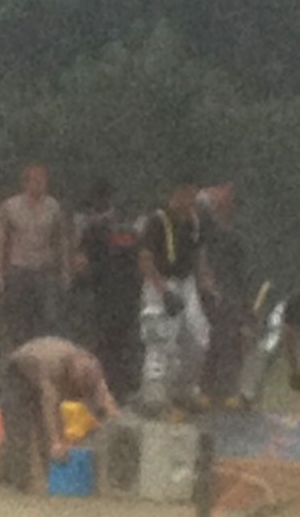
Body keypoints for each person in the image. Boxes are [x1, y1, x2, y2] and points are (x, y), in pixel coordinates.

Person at [0, 336, 119, 492]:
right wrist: (56, 443)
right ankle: (17, 481)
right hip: (18, 373)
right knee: (21, 431)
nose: (80, 394)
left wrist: (114, 423)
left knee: (47, 433)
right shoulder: (53, 367)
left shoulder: (92, 369)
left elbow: (104, 399)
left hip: (42, 375)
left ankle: (53, 480)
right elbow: (49, 409)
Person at [134, 183, 205, 417]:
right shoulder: (157, 221)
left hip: (186, 283)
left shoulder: (192, 221)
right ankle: (153, 394)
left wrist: (206, 284)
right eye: (189, 196)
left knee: (198, 337)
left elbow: (197, 255)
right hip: (161, 281)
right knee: (159, 338)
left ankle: (184, 389)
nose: (192, 201)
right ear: (178, 194)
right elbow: (145, 259)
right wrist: (163, 291)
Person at [71, 178, 144, 404]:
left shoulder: (96, 227)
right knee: (119, 342)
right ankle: (116, 388)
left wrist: (81, 282)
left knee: (108, 342)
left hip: (109, 293)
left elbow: (81, 261)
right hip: (118, 293)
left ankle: (110, 389)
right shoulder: (129, 230)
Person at [0, 163, 72, 359]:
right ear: (26, 183)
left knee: (49, 318)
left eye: (43, 180)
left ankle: (46, 357)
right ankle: (19, 359)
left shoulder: (53, 206)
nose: (41, 184)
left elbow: (60, 239)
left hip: (44, 270)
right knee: (19, 320)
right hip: (19, 269)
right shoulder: (10, 207)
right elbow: (1, 240)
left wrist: (65, 270)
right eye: (36, 180)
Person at [191, 183, 257, 408]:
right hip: (206, 294)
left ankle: (226, 388)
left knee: (231, 337)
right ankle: (207, 387)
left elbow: (242, 279)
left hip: (228, 297)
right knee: (211, 338)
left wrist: (245, 312)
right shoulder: (202, 233)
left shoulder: (235, 240)